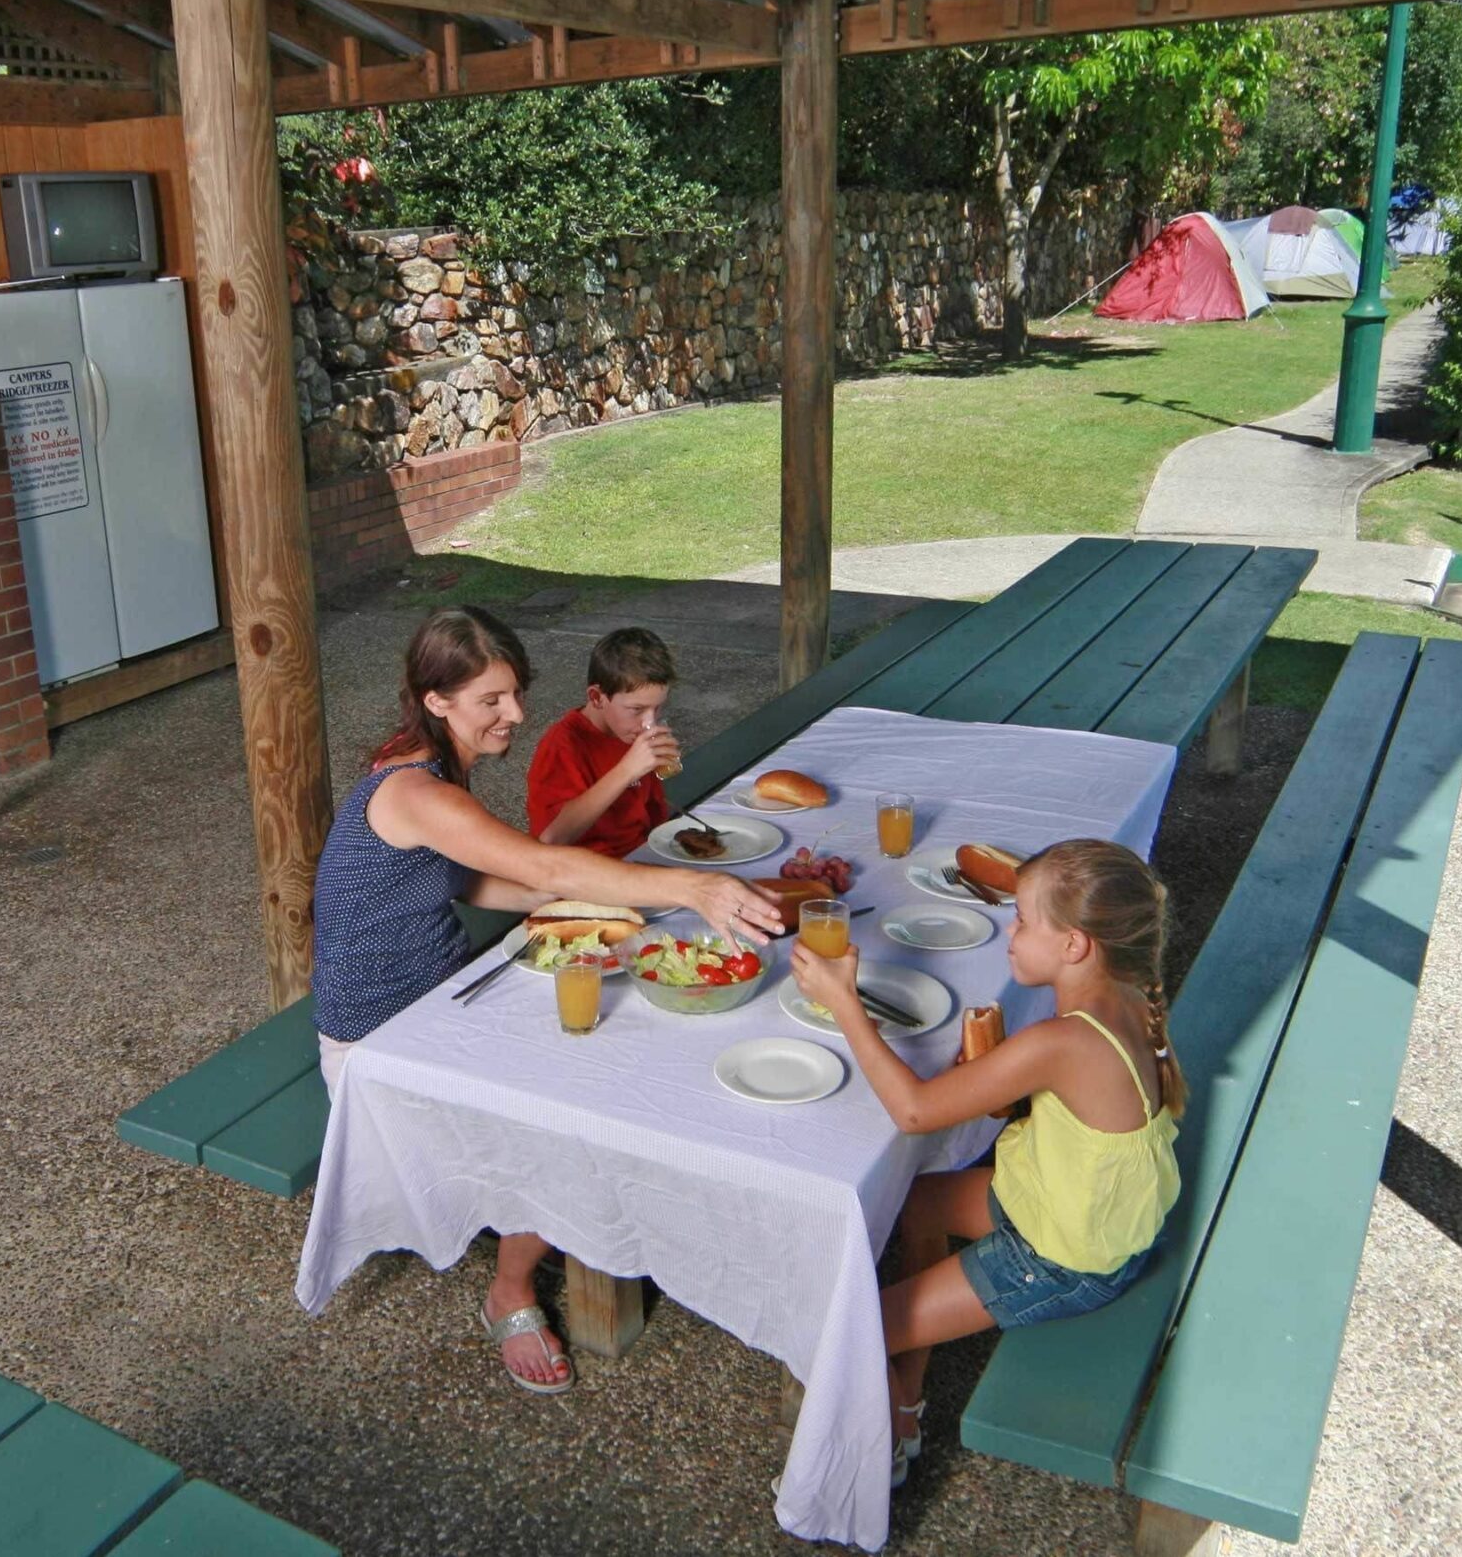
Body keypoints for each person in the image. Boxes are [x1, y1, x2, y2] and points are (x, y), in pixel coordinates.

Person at [314, 605, 781, 1397]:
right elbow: (548, 866)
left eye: (516, 693)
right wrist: (690, 885)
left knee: (607, 1031)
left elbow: (494, 880)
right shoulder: (415, 790)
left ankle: (608, 1212)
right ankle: (513, 1287)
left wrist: (625, 909)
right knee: (570, 1100)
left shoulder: (428, 765)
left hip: (438, 995)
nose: (517, 714)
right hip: (379, 1040)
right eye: (492, 699)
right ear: (437, 701)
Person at [790, 839, 1185, 1486]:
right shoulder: (1130, 999)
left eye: (1025, 920)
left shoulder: (1060, 1040)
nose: (1012, 929)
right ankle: (911, 1390)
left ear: (1075, 945)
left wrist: (844, 1004)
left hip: (1061, 1258)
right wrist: (996, 1076)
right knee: (917, 1201)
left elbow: (914, 1112)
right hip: (1082, 1206)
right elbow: (1069, 1106)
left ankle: (889, 1431)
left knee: (849, 1331)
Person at [525, 627, 679, 857]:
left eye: (657, 708)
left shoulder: (629, 733)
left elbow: (653, 814)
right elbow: (551, 839)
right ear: (597, 697)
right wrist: (627, 770)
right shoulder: (563, 745)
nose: (649, 721)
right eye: (636, 709)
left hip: (639, 857)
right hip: (589, 871)